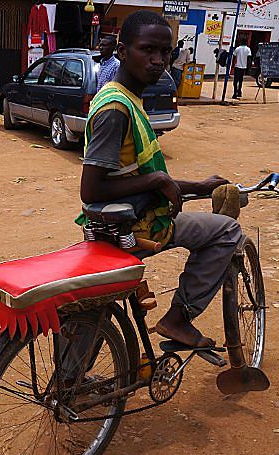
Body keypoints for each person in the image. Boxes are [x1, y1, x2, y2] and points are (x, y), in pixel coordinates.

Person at [79, 10, 241, 348]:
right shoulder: (115, 109)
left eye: (165, 53)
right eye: (147, 50)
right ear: (122, 51)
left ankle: (70, 376)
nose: (158, 61)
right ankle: (178, 319)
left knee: (98, 300)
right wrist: (156, 182)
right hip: (136, 226)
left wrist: (198, 186)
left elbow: (132, 173)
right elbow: (92, 189)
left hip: (119, 221)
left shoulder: (127, 97)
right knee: (227, 231)